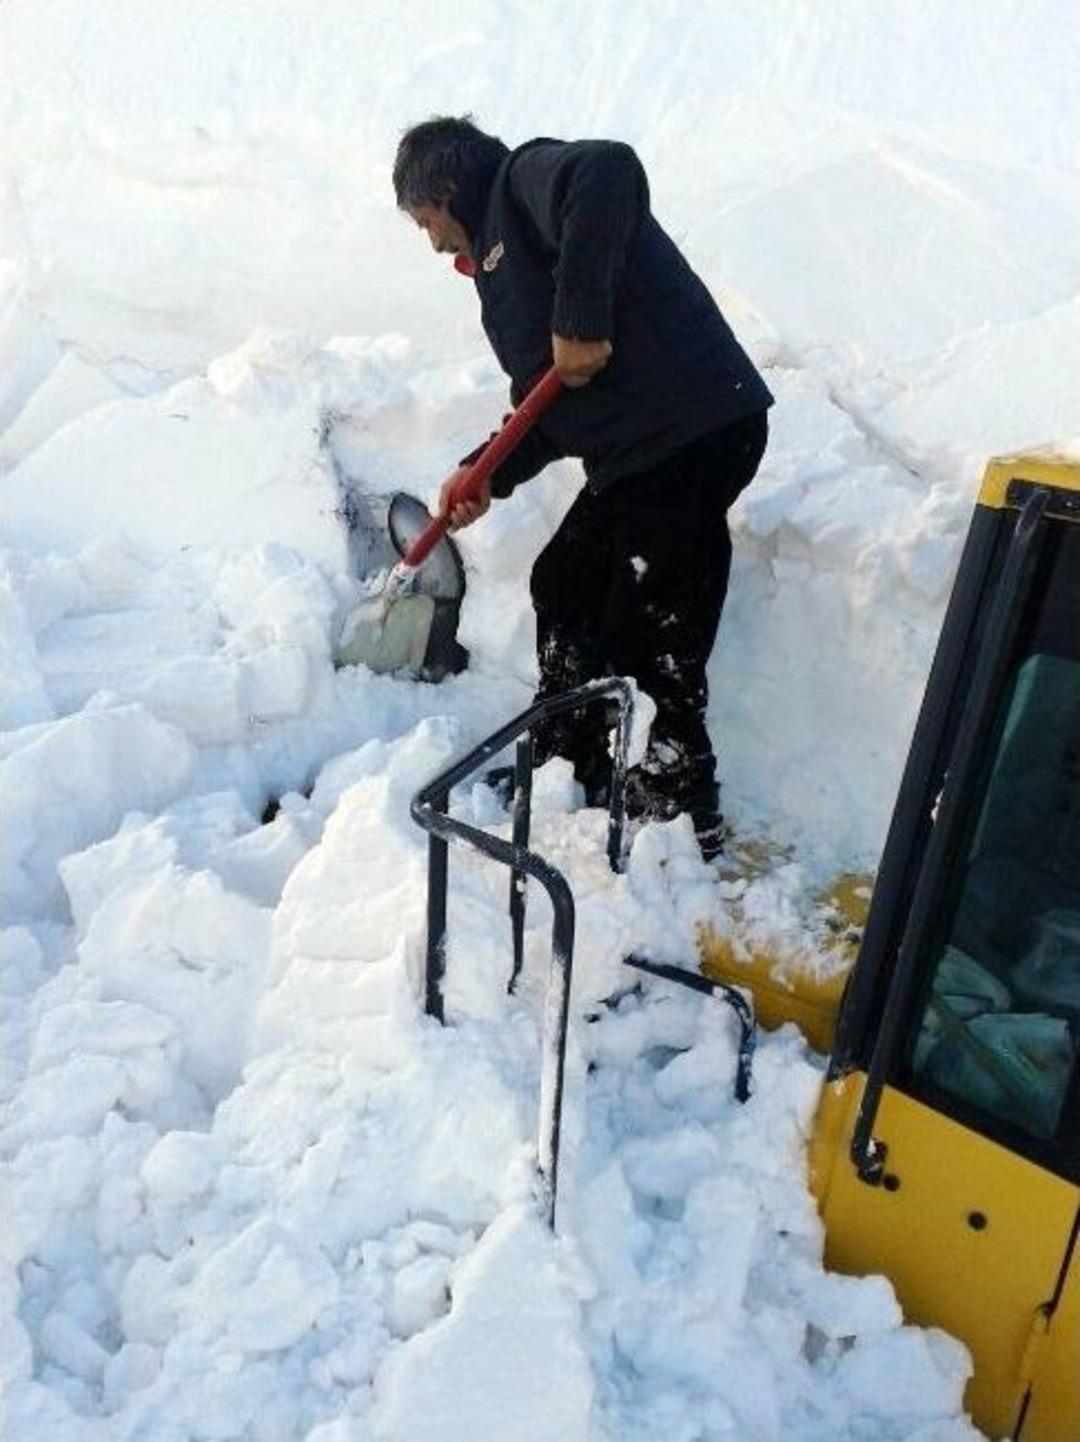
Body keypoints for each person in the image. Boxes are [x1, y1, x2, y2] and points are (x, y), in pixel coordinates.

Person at [392, 116, 772, 860]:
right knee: (563, 580)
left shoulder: (523, 181)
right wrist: (486, 472)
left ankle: (677, 809)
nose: (433, 242)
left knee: (652, 624)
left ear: (444, 190)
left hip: (692, 429)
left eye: (425, 221)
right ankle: (571, 756)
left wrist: (580, 317)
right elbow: (550, 401)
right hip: (639, 454)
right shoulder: (502, 271)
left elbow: (608, 168)